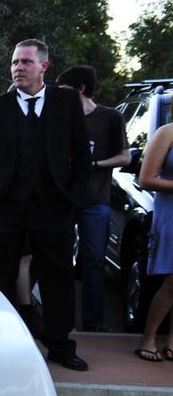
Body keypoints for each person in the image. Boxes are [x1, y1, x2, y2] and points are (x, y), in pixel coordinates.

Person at [0, 39, 91, 371]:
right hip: (5, 207)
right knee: (1, 276)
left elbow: (81, 153)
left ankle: (61, 345)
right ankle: (6, 345)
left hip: (53, 206)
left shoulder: (66, 102)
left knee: (58, 277)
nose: (18, 68)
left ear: (43, 67)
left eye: (25, 62)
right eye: (14, 63)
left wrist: (73, 196)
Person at [57, 65, 130, 332]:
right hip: (64, 198)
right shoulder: (62, 118)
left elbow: (125, 156)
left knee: (94, 261)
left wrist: (96, 163)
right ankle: (61, 320)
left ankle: (93, 321)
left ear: (81, 89)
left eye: (64, 91)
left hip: (96, 199)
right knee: (59, 260)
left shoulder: (110, 117)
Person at [135, 112, 173, 361]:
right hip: (171, 212)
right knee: (171, 282)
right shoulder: (167, 132)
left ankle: (172, 340)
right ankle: (148, 338)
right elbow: (146, 179)